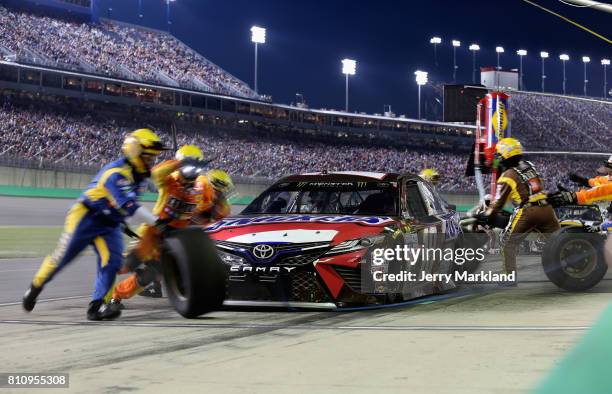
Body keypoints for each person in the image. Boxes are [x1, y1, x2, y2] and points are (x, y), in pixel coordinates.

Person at [22, 129, 166, 320]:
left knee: (112, 262)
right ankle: (36, 286)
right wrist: (159, 224)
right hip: (86, 217)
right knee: (62, 258)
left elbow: (123, 206)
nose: (152, 162)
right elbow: (130, 206)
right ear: (134, 152)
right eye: (148, 158)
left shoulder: (140, 177)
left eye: (154, 159)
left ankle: (97, 307)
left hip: (110, 223)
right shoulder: (116, 173)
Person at [110, 160, 234, 306]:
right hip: (156, 231)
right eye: (219, 192)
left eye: (223, 193)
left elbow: (217, 227)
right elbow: (161, 177)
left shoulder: (222, 207)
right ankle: (107, 278)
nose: (221, 197)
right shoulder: (193, 187)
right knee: (129, 263)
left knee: (151, 273)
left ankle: (117, 295)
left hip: (178, 240)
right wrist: (180, 163)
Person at [475, 137, 560, 276]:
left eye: (498, 155)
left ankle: (508, 277)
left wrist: (486, 215)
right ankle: (566, 269)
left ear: (505, 155)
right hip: (547, 209)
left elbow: (498, 204)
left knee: (507, 243)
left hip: (528, 211)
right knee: (558, 242)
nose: (497, 159)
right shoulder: (530, 166)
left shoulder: (507, 176)